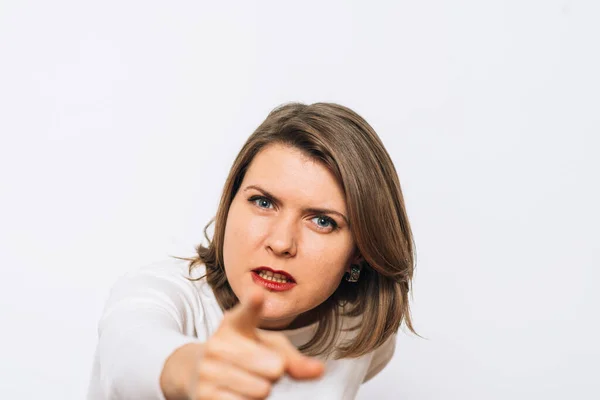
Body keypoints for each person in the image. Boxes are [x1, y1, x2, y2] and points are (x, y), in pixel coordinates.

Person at [87, 102, 417, 400]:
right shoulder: (159, 293)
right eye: (263, 202)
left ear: (359, 251)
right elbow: (129, 348)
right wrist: (194, 368)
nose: (281, 243)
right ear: (230, 203)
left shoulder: (361, 332)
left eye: (322, 221)